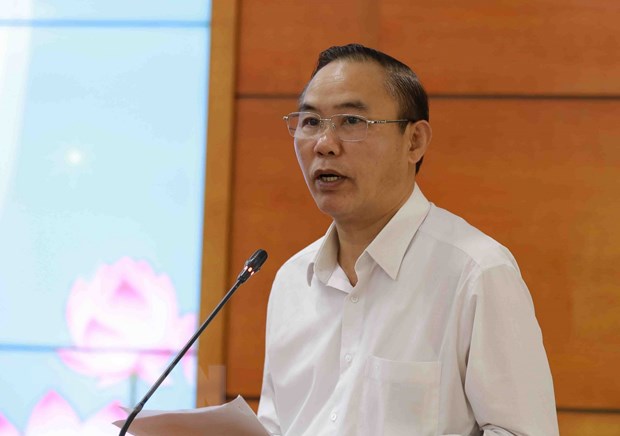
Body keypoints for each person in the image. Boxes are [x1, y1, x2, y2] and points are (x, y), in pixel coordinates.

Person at [257, 43, 558, 436]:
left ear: (414, 141)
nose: (324, 143)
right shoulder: (293, 281)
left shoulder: (476, 272)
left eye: (351, 121)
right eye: (311, 121)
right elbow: (276, 425)